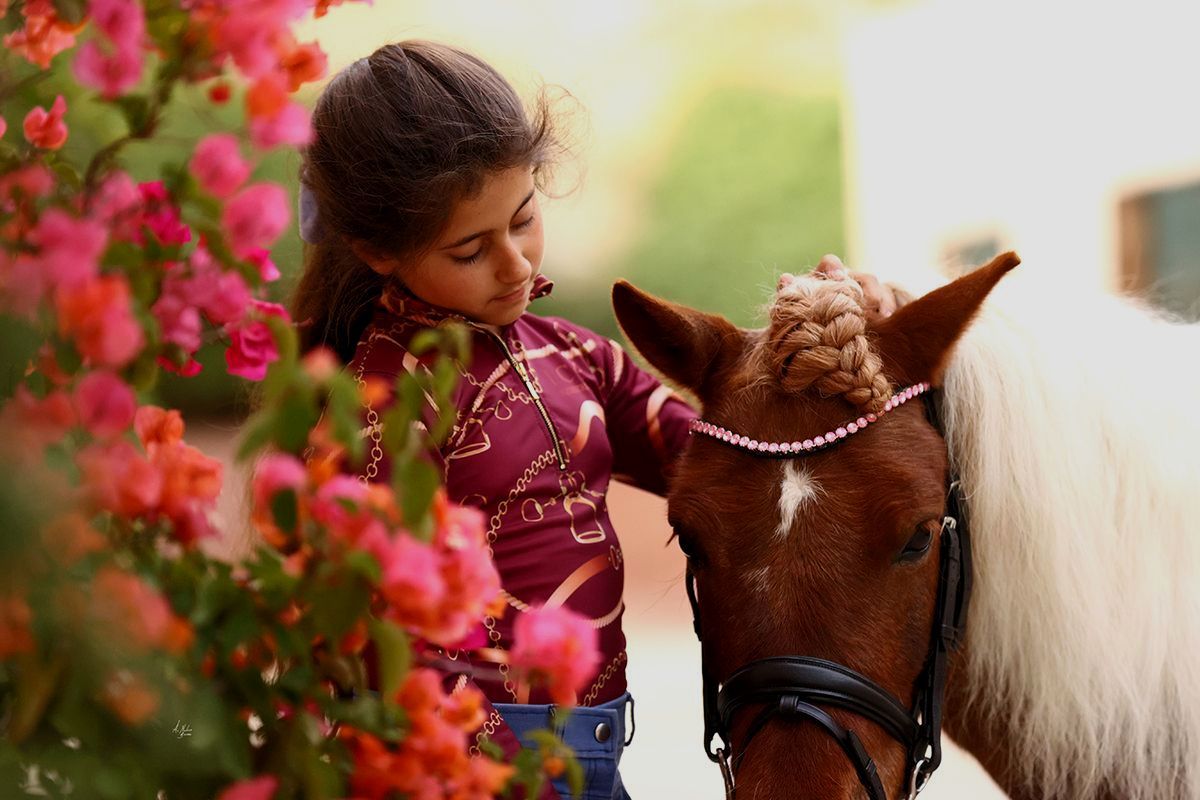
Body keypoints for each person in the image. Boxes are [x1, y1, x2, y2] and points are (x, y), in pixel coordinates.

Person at [291, 40, 900, 800]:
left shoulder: (577, 357)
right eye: (471, 250)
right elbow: (364, 632)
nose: (516, 264)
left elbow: (724, 457)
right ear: (377, 251)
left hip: (595, 750)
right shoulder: (382, 403)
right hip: (474, 767)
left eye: (523, 219)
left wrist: (831, 330)